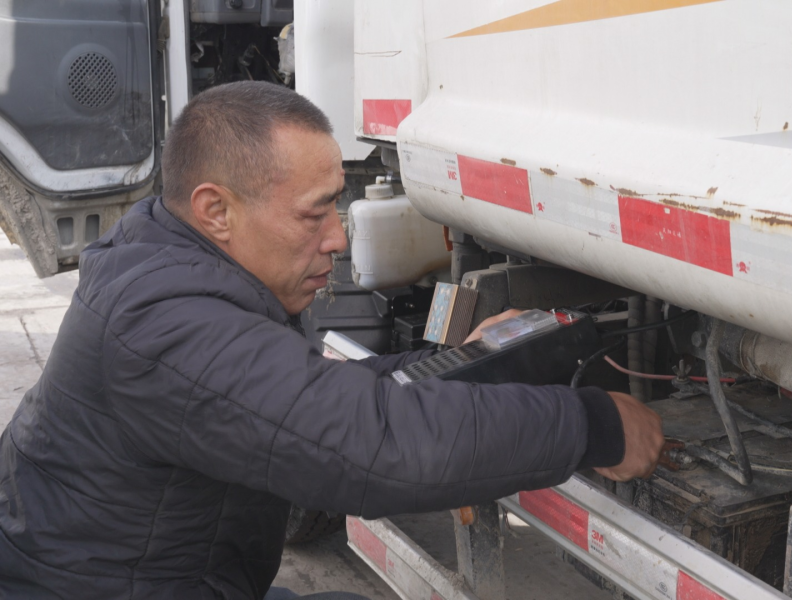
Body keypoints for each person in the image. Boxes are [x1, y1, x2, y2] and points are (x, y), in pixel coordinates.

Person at [0, 81, 664, 599]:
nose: (339, 238)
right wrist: (593, 426)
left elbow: (311, 400)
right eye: (313, 212)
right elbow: (372, 449)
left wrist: (466, 361)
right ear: (215, 210)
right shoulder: (166, 324)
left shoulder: (170, 264)